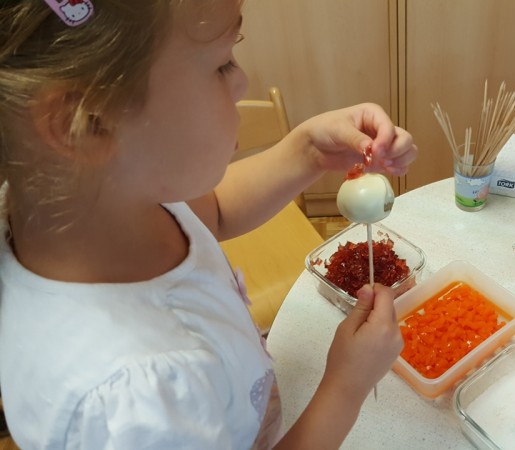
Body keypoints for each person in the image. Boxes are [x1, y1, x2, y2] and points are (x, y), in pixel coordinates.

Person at [0, 1, 417, 448]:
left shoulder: (99, 203)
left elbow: (213, 210)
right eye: (222, 65)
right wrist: (346, 386)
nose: (242, 82)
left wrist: (308, 153)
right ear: (85, 123)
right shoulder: (139, 406)